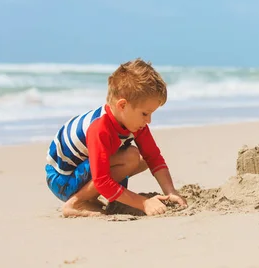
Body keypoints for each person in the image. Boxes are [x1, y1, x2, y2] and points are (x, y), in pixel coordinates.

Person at [44, 58, 187, 217]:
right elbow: (102, 181)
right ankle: (76, 203)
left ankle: (99, 198)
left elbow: (154, 157)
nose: (149, 120)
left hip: (84, 170)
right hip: (63, 180)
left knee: (144, 159)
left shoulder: (134, 122)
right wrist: (143, 202)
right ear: (122, 105)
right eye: (145, 113)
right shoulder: (99, 129)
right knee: (131, 156)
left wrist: (171, 192)